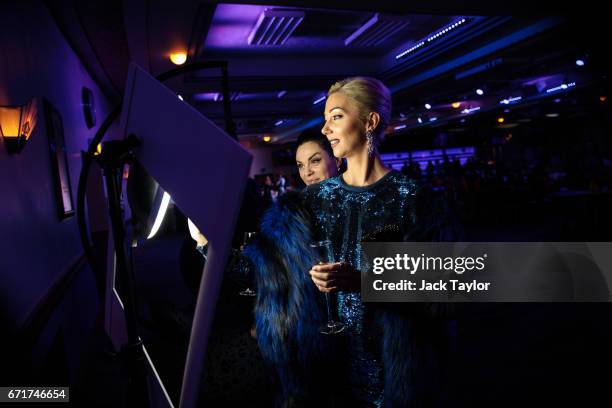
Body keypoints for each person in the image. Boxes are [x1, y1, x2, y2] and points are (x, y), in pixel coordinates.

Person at [247, 77, 456, 407]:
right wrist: (207, 245)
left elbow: (445, 290)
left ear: (370, 121)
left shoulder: (414, 199)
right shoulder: (309, 204)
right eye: (326, 119)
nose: (326, 129)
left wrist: (361, 282)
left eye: (336, 117)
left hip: (396, 375)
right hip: (327, 375)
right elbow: (266, 272)